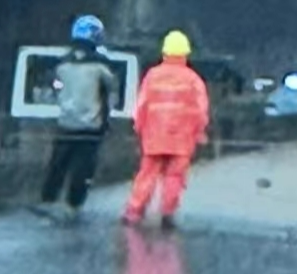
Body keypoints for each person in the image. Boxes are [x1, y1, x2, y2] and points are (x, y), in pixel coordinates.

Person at [122, 30, 210, 230]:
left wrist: (139, 128)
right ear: (186, 54)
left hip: (154, 137)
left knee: (147, 174)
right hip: (182, 139)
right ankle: (167, 214)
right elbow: (201, 110)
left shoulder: (153, 76)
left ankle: (134, 212)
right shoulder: (193, 79)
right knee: (174, 177)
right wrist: (199, 132)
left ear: (164, 52)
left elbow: (142, 105)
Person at [37, 14, 119, 221]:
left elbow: (53, 89)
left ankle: (48, 199)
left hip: (66, 123)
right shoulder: (103, 65)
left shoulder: (62, 64)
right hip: (91, 128)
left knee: (57, 164)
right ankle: (74, 204)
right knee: (83, 169)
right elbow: (112, 91)